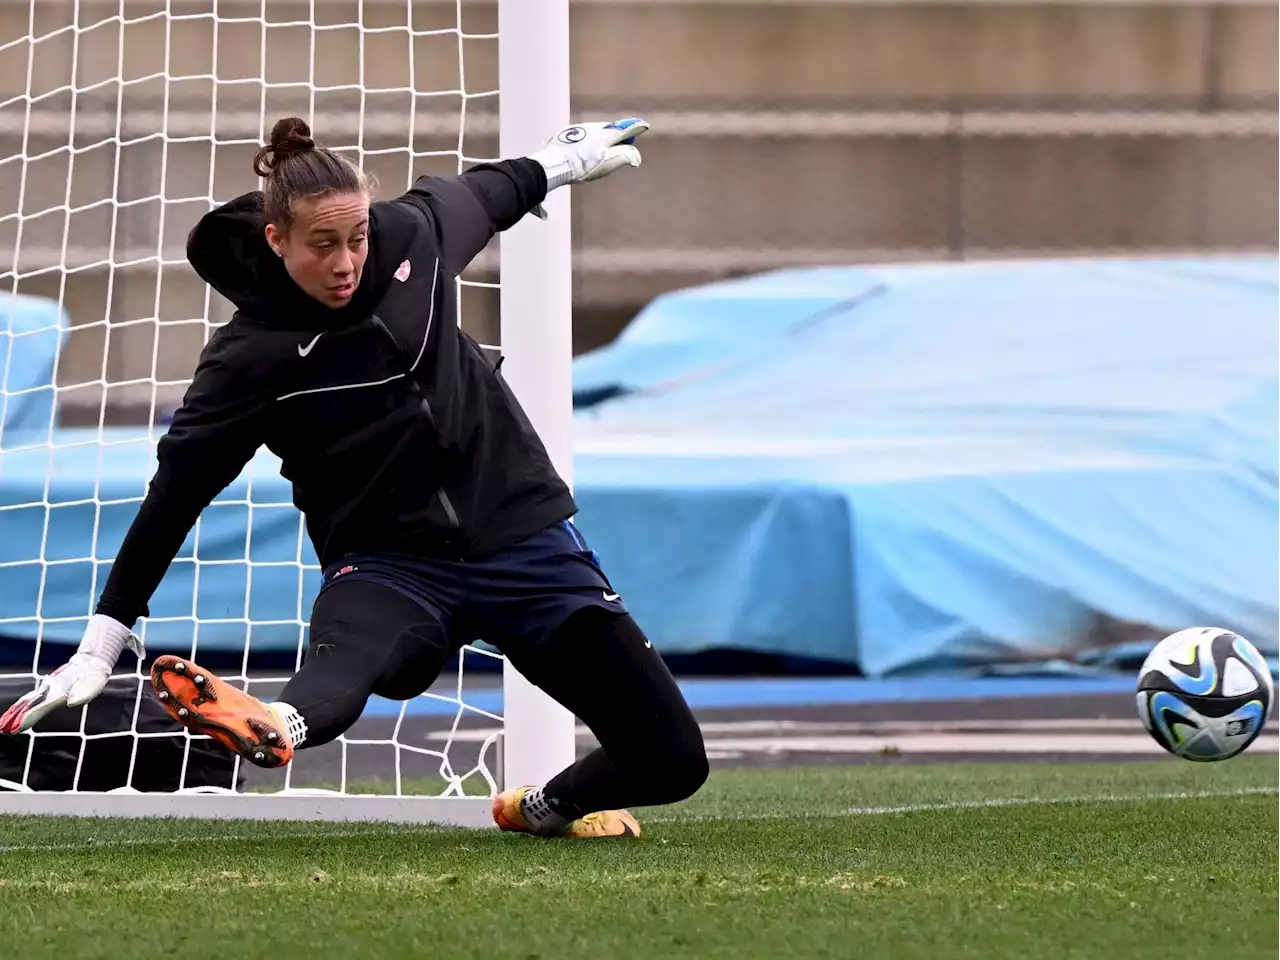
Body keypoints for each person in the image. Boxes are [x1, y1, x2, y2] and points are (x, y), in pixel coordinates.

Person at [0, 115, 709, 838]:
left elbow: (488, 193)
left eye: (357, 238)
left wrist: (562, 160)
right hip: (388, 564)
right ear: (276, 241)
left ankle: (537, 810)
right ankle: (272, 723)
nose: (347, 262)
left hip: (521, 539)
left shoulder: (413, 239)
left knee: (673, 761)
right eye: (323, 244)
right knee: (340, 679)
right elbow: (173, 501)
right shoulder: (246, 363)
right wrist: (101, 643)